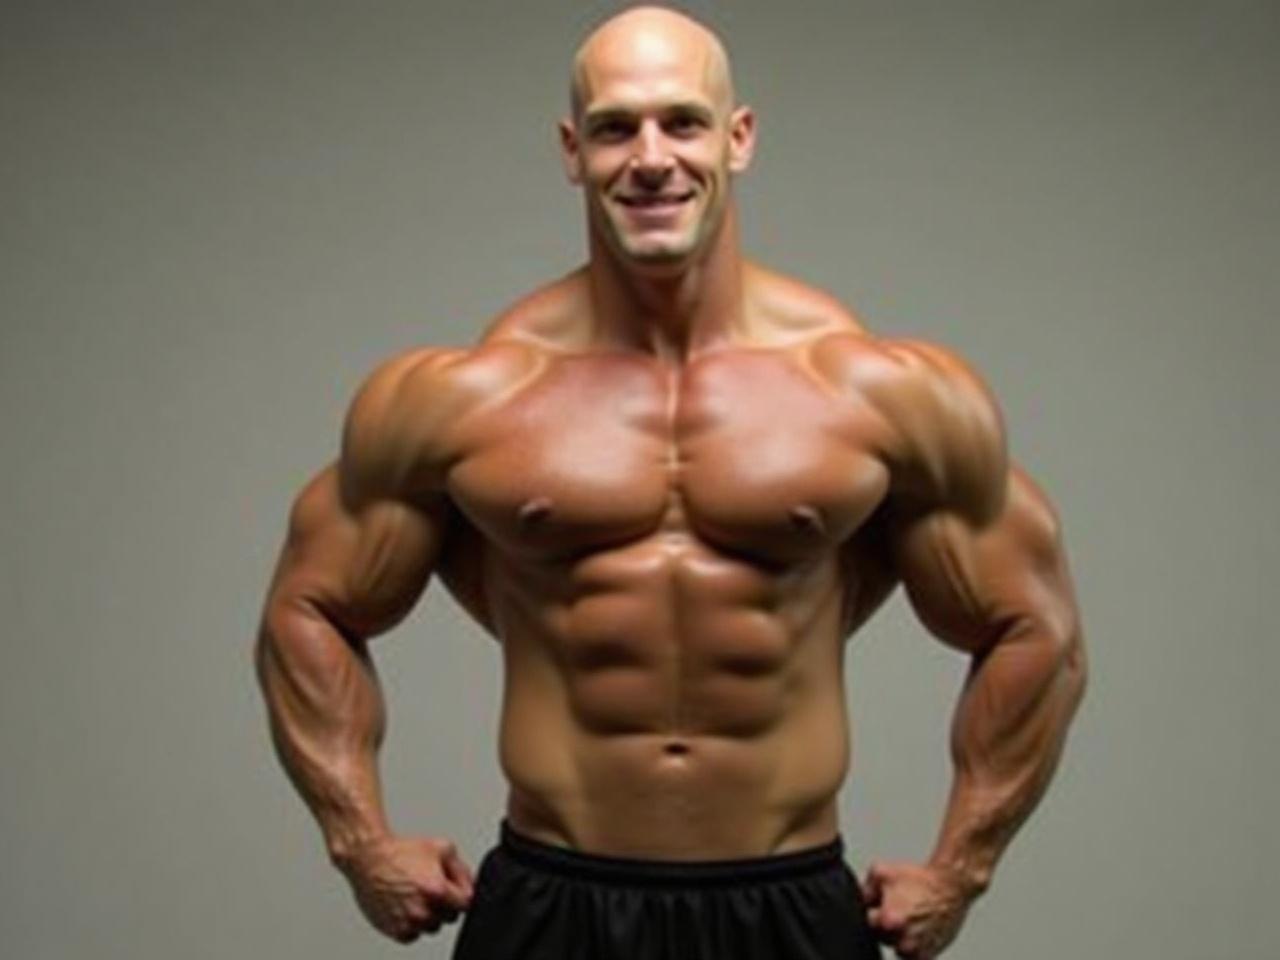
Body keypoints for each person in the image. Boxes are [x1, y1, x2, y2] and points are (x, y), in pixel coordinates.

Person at [253, 6, 1086, 959]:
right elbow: (308, 606)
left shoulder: (874, 391)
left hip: (789, 900)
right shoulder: (468, 398)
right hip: (553, 898)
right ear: (573, 151)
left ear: (739, 138)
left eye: (682, 122)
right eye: (615, 128)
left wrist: (961, 867)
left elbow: (1037, 628)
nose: (651, 158)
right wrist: (360, 841)